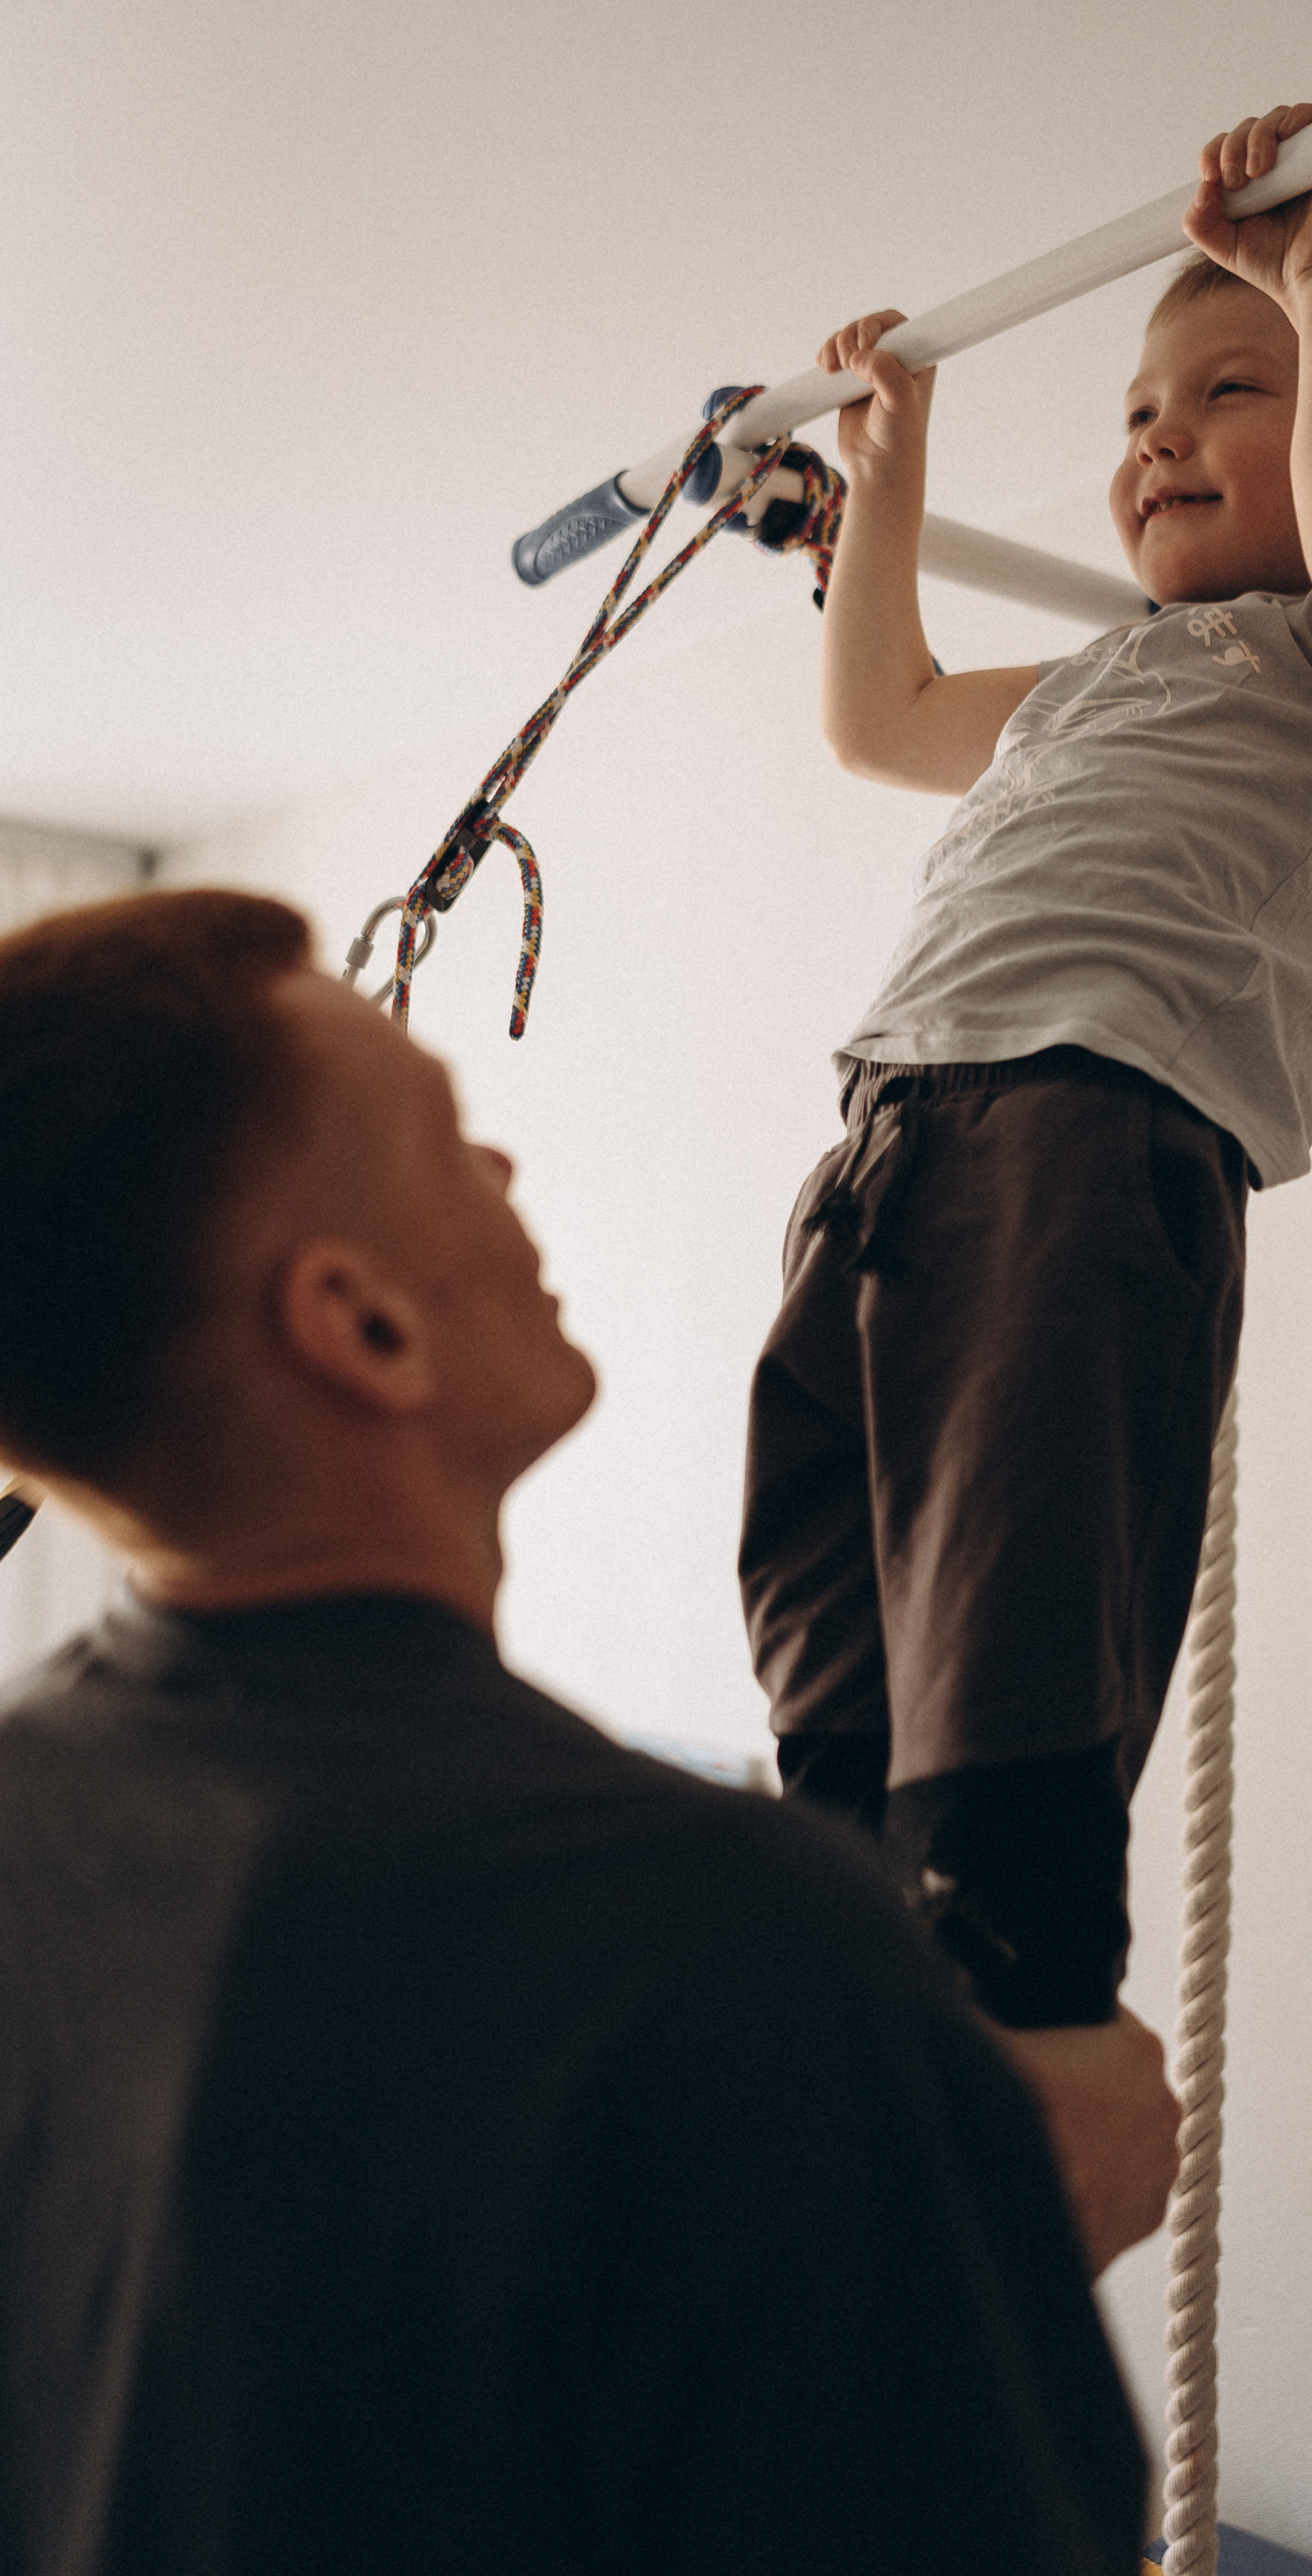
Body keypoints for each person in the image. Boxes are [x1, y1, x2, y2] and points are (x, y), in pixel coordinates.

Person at [0, 888, 1180, 2575]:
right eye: (451, 1140)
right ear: (365, 1330)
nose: (504, 1180)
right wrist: (979, 2234)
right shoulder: (724, 1936)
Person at [741, 107, 1312, 2030]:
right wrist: (889, 471)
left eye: (1223, 386)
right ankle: (844, 1921)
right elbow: (880, 718)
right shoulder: (1096, 675)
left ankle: (1016, 1975)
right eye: (1138, 411)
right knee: (822, 1575)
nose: (1155, 434)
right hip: (890, 1135)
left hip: (1090, 1133)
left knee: (1014, 1593)